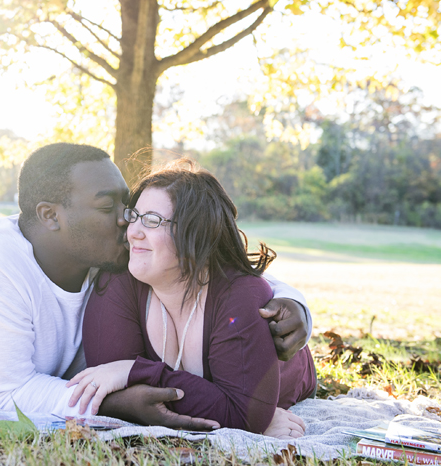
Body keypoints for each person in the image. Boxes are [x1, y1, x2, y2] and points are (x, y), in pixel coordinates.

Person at [0, 143, 313, 428]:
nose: (129, 222)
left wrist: (292, 301)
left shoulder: (106, 250)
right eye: (110, 209)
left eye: (132, 207)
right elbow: (6, 397)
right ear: (51, 216)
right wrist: (117, 406)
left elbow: (220, 269)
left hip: (92, 378)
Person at [68, 162, 316, 438]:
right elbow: (111, 391)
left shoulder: (241, 296)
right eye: (134, 215)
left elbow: (242, 414)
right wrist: (229, 410)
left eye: (152, 220)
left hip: (287, 378)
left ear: (195, 235)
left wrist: (132, 370)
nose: (133, 231)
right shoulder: (118, 282)